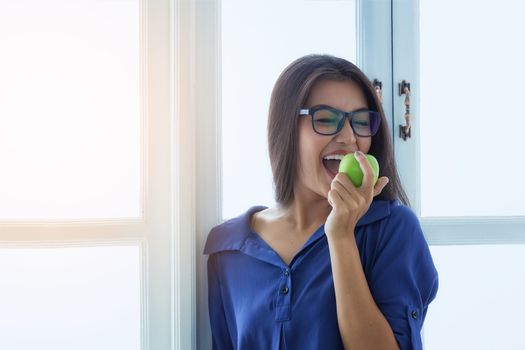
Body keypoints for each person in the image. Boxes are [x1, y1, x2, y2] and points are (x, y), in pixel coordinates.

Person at [204, 54, 439, 350]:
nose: (349, 137)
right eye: (326, 119)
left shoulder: (392, 229)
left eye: (361, 121)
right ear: (286, 128)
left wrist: (341, 236)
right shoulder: (229, 247)